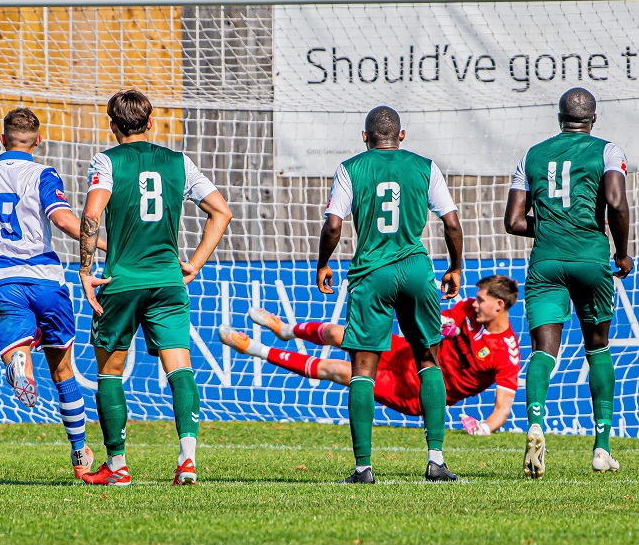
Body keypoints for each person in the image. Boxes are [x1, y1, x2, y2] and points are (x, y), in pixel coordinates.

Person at [78, 89, 232, 487]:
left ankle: (117, 465)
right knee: (180, 368)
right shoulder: (179, 162)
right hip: (167, 280)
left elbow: (92, 213)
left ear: (113, 126)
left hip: (121, 281)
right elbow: (222, 211)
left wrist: (85, 270)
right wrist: (194, 263)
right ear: (150, 123)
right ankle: (187, 461)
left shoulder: (106, 161)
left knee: (110, 373)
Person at [0, 107, 104, 479]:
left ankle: (19, 364)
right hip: (47, 280)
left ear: (1, 140)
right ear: (38, 141)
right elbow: (64, 219)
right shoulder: (43, 174)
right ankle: (80, 453)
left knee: (17, 346)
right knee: (64, 369)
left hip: (5, 281)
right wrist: (105, 244)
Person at [315, 106, 464, 484]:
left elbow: (333, 224)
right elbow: (451, 222)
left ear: (365, 137)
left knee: (363, 370)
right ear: (402, 135)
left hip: (372, 272)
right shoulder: (425, 166)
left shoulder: (351, 167)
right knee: (429, 360)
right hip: (415, 269)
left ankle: (363, 468)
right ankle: (436, 461)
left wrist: (323, 262)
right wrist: (456, 266)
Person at [505, 87, 633, 478]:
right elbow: (616, 201)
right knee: (598, 347)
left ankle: (536, 423)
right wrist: (623, 253)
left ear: (559, 118)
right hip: (591, 261)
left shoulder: (532, 154)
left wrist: (549, 227)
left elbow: (513, 221)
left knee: (544, 351)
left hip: (545, 263)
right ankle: (602, 447)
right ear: (593, 118)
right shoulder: (608, 151)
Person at [219, 275, 520, 434]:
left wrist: (483, 428)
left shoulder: (506, 352)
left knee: (339, 371)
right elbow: (442, 320)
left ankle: (255, 349)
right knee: (341, 332)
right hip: (405, 353)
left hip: (416, 390)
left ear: (499, 306)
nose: (475, 304)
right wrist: (440, 323)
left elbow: (503, 407)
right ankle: (286, 330)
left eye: (482, 300)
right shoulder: (467, 308)